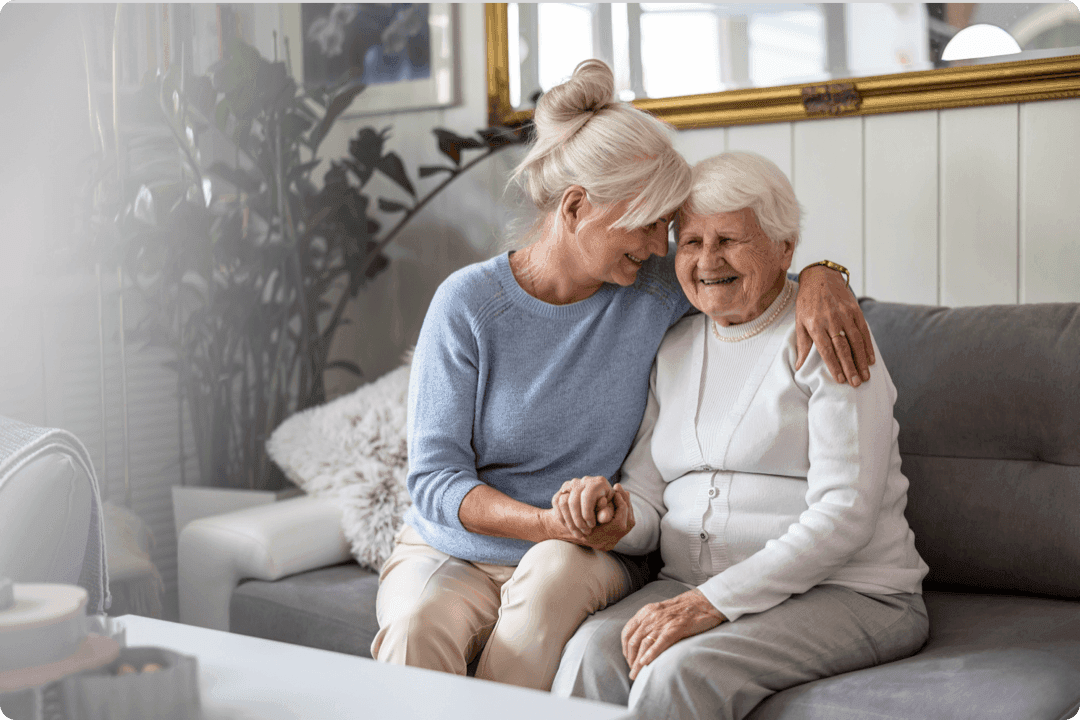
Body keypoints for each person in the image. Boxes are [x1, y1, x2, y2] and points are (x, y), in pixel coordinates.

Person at [371, 61, 875, 692]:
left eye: (667, 227)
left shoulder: (653, 286)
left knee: (551, 579)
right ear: (578, 207)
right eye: (646, 223)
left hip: (587, 545)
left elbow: (756, 278)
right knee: (417, 625)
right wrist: (542, 523)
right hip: (457, 544)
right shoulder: (468, 304)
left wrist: (827, 276)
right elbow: (436, 482)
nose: (661, 245)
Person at [551, 151, 930, 718]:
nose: (707, 260)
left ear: (785, 248)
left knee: (678, 673)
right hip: (695, 584)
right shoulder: (673, 348)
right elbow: (649, 496)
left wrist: (712, 603)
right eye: (693, 240)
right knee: (589, 653)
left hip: (851, 592)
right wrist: (616, 515)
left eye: (729, 239)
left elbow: (845, 512)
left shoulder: (826, 334)